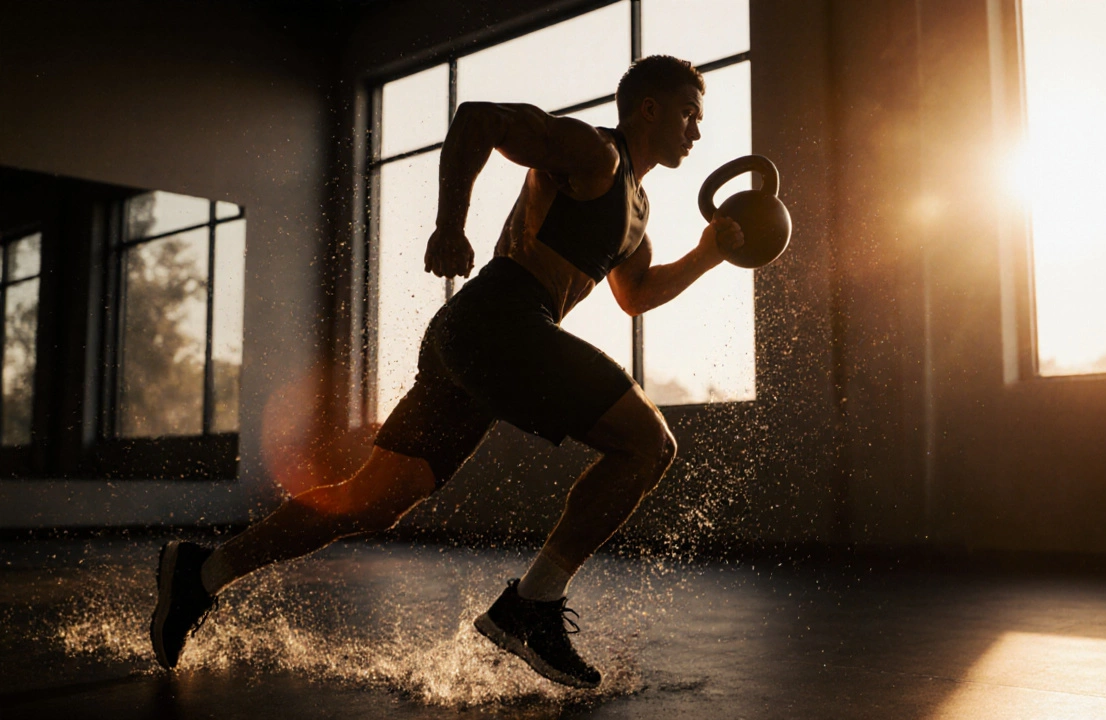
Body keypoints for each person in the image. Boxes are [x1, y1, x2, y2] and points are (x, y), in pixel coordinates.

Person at [150, 55, 743, 689]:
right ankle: (532, 604)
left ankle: (202, 572)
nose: (696, 132)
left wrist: (709, 255)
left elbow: (638, 293)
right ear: (648, 107)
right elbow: (476, 120)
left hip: (478, 339)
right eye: (689, 114)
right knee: (649, 443)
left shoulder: (637, 216)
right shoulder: (595, 152)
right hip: (501, 318)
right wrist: (448, 225)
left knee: (374, 501)